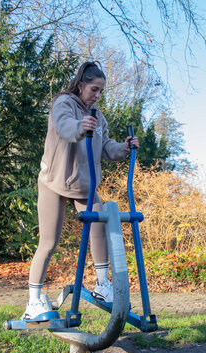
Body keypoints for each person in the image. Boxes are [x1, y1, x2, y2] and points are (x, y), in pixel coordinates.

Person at [23, 61, 140, 320]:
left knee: (100, 229)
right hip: (54, 181)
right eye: (94, 89)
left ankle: (102, 286)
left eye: (101, 91)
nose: (97, 95)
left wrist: (125, 147)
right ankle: (33, 301)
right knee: (49, 242)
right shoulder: (63, 103)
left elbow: (106, 147)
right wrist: (80, 127)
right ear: (80, 85)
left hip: (84, 186)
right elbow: (64, 126)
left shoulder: (97, 115)